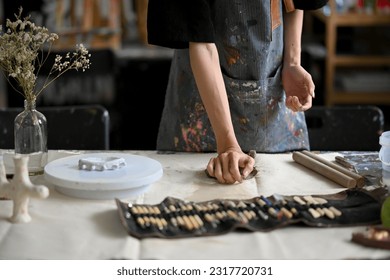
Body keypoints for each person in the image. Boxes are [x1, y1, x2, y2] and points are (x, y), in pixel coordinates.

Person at [147, 0, 328, 184]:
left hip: (273, 98)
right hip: (200, 110)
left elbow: (295, 2)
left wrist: (292, 63)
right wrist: (227, 144)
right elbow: (201, 42)